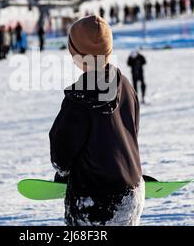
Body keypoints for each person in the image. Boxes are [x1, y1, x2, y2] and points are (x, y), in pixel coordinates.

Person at [50, 15, 144, 226]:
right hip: (131, 195)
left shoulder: (80, 99)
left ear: (76, 55)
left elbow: (61, 151)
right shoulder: (126, 86)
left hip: (94, 202)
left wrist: (63, 171)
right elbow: (131, 132)